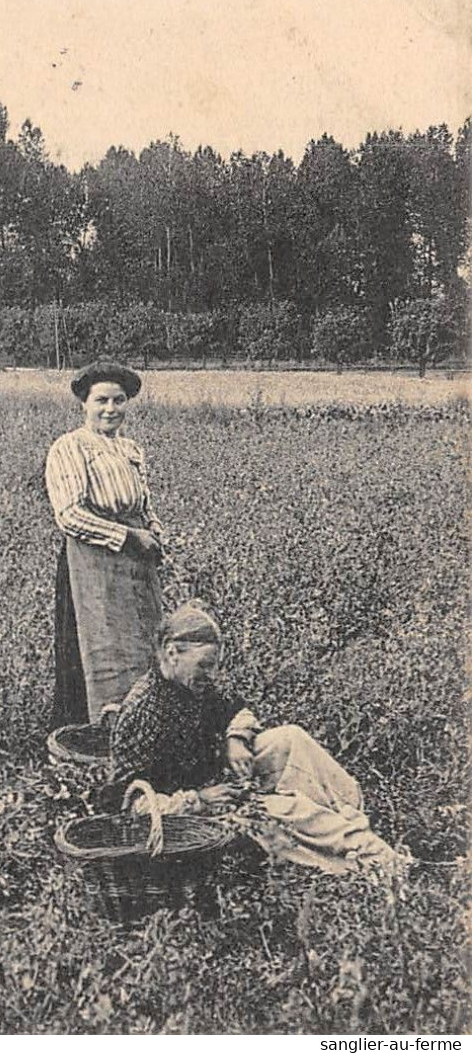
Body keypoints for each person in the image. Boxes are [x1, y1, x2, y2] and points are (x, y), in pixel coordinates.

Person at [102, 603, 407, 875]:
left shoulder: (189, 683)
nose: (212, 674)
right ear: (172, 652)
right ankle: (376, 859)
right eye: (205, 665)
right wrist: (200, 799)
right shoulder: (144, 711)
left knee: (290, 739)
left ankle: (352, 813)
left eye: (214, 666)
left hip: (216, 779)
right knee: (283, 810)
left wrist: (235, 738)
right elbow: (131, 803)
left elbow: (235, 708)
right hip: (189, 814)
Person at [44, 359, 164, 728]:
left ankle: (141, 721)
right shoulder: (70, 447)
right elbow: (69, 515)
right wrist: (129, 537)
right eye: (101, 401)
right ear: (85, 403)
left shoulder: (130, 449)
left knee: (140, 640)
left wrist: (155, 531)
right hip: (91, 560)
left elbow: (144, 503)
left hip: (135, 560)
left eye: (119, 400)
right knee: (97, 644)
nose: (110, 409)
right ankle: (93, 726)